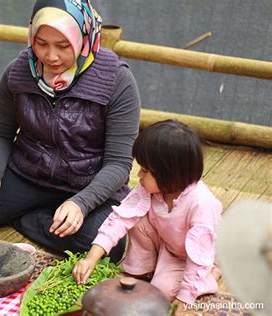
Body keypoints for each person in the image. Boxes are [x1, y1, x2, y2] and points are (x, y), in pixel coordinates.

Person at [0, 0, 140, 261]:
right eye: (42, 43)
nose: (51, 56)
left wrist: (81, 203)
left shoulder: (116, 80)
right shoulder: (18, 72)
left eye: (63, 45)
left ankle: (26, 217)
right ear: (31, 35)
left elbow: (118, 164)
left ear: (85, 38)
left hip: (87, 185)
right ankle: (38, 214)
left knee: (108, 246)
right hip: (26, 175)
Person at [72, 120, 222, 305]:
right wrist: (90, 259)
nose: (139, 176)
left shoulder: (201, 204)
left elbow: (198, 258)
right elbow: (119, 219)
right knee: (136, 218)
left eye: (144, 171)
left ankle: (209, 276)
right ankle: (140, 271)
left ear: (169, 174)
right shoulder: (150, 189)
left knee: (159, 293)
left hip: (192, 258)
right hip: (168, 245)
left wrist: (184, 300)